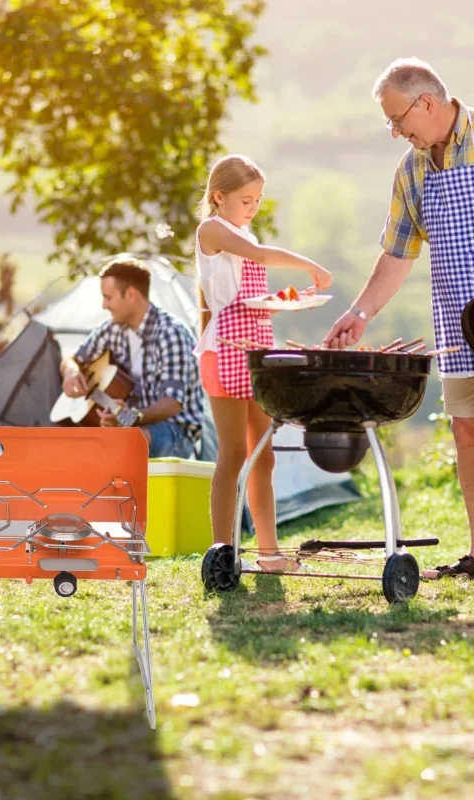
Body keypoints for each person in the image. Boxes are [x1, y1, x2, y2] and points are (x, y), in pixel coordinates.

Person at [323, 58, 474, 580]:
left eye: (396, 120)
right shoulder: (412, 170)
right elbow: (397, 255)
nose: (394, 133)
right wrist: (359, 312)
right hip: (459, 326)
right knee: (467, 432)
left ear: (426, 103)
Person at [195, 154, 332, 571]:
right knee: (233, 453)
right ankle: (222, 552)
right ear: (219, 196)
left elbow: (253, 294)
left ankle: (269, 553)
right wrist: (309, 265)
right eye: (245, 200)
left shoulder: (240, 230)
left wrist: (284, 305)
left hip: (257, 351)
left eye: (257, 201)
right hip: (225, 352)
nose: (252, 208)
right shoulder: (213, 229)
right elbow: (257, 253)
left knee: (264, 455)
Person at [59, 256, 204, 459]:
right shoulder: (112, 329)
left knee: (126, 443)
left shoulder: (171, 332)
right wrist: (72, 371)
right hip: (130, 425)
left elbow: (173, 403)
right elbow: (72, 358)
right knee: (86, 446)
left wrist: (132, 416)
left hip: (174, 431)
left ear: (131, 294)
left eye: (108, 297)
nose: (104, 305)